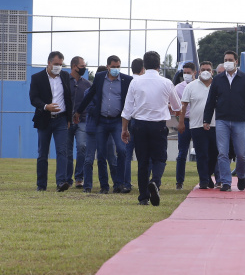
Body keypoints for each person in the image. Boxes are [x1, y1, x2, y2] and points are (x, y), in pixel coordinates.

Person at [121, 51, 181, 206]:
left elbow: (127, 109)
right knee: (159, 158)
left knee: (143, 161)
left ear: (144, 65)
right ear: (159, 65)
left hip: (139, 125)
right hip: (158, 125)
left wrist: (124, 129)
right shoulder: (166, 82)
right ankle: (155, 181)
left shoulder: (135, 82)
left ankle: (143, 197)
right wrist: (167, 106)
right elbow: (177, 107)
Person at [203, 50, 245, 191]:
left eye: (230, 60)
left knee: (242, 154)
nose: (227, 62)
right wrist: (206, 119)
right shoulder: (218, 79)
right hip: (222, 120)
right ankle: (226, 182)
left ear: (236, 62)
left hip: (239, 121)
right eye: (225, 60)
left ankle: (241, 176)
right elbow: (210, 101)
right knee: (222, 153)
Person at [75, 55, 133, 194]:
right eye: (113, 67)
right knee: (101, 154)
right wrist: (79, 111)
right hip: (101, 121)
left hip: (117, 121)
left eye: (118, 67)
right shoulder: (100, 77)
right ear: (107, 67)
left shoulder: (127, 80)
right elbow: (90, 94)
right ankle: (104, 186)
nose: (116, 69)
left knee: (122, 150)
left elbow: (131, 99)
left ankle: (119, 184)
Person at [28, 51, 74, 192]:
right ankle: (41, 185)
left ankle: (61, 182)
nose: (58, 66)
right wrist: (45, 106)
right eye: (56, 64)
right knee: (43, 153)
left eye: (60, 64)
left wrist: (69, 119)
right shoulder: (37, 78)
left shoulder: (65, 76)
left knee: (62, 151)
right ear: (49, 63)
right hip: (44, 119)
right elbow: (33, 98)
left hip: (61, 120)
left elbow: (69, 98)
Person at [178, 61, 218, 189]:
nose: (205, 72)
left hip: (215, 125)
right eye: (203, 69)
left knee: (214, 154)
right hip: (196, 125)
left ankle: (208, 174)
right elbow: (184, 105)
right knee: (202, 154)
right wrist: (181, 122)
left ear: (212, 72)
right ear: (199, 72)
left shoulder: (217, 85)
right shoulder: (191, 86)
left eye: (208, 69)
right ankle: (204, 180)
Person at [66, 56, 91, 189]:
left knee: (82, 147)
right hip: (66, 121)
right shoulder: (64, 81)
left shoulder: (87, 84)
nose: (84, 68)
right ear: (74, 66)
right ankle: (67, 179)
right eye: (82, 66)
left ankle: (79, 177)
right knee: (67, 150)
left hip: (82, 121)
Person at [174, 61, 196, 189]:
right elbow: (176, 106)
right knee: (182, 153)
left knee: (203, 152)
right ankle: (179, 181)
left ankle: (206, 179)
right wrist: (180, 121)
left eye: (189, 72)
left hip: (197, 122)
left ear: (194, 73)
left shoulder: (199, 86)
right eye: (184, 73)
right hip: (185, 121)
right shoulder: (178, 88)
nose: (186, 75)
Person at [123, 58, 144, 190]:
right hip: (141, 120)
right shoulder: (142, 82)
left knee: (127, 154)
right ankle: (144, 182)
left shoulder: (126, 81)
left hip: (128, 119)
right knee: (143, 154)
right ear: (143, 69)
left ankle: (126, 183)